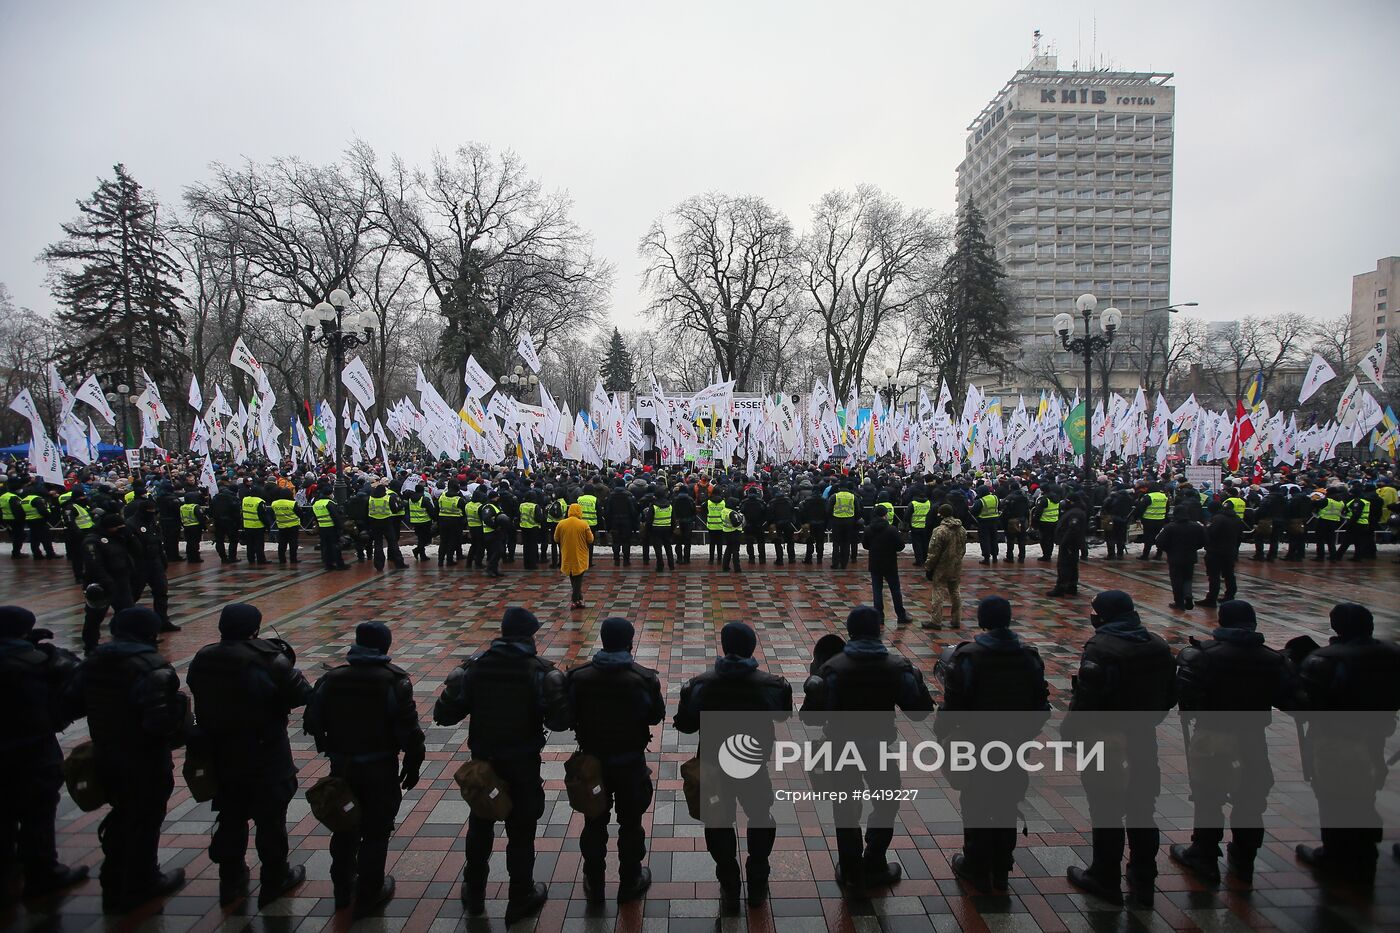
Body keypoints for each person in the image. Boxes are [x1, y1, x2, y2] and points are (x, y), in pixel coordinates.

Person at [433, 607, 568, 925]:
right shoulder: (538, 671)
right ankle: (520, 896)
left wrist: (452, 691)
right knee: (521, 831)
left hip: (485, 765)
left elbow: (445, 715)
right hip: (522, 763)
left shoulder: (476, 668)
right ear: (528, 636)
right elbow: (560, 721)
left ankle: (475, 893)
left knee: (480, 826)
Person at [64, 607, 190, 913]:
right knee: (144, 818)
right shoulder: (150, 667)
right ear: (149, 633)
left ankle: (114, 876)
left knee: (123, 812)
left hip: (106, 752)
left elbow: (70, 704)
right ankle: (141, 882)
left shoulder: (94, 661)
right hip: (143, 756)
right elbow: (158, 723)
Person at [801, 606, 934, 895]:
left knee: (845, 808)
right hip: (880, 748)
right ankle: (874, 861)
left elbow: (811, 718)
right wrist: (919, 681)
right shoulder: (898, 666)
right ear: (878, 630)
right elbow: (919, 713)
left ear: (850, 631)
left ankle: (850, 871)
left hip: (841, 748)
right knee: (886, 803)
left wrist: (813, 692)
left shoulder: (832, 668)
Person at [188, 604, 313, 906]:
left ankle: (231, 880)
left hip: (220, 750)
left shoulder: (204, 657)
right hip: (264, 750)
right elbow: (302, 694)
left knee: (231, 815)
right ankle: (275, 877)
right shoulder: (268, 659)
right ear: (254, 628)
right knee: (270, 818)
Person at [1063, 590, 1176, 908]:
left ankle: (1104, 876)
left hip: (1108, 739)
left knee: (1106, 808)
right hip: (1144, 737)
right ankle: (1143, 876)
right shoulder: (1157, 643)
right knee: (1142, 809)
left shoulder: (1102, 648)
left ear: (1105, 615)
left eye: (1095, 611)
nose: (1092, 615)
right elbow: (1170, 695)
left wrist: (1070, 734)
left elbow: (1087, 700)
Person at [305, 622, 425, 918]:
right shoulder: (393, 681)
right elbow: (409, 731)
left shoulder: (330, 680)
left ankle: (342, 888)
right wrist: (412, 762)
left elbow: (311, 723)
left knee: (345, 824)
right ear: (385, 646)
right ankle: (370, 891)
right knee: (376, 829)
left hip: (342, 766)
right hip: (379, 766)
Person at [1171, 600, 1290, 886]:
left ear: (1221, 622)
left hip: (1213, 733)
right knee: (1250, 798)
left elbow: (1186, 695)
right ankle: (1244, 856)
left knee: (1208, 795)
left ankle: (1204, 854)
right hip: (1252, 737)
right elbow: (1289, 698)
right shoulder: (1272, 659)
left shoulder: (1204, 655)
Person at [674, 622, 792, 909]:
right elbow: (783, 715)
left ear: (724, 647)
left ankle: (729, 884)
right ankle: (757, 880)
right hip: (752, 766)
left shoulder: (701, 684)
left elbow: (686, 726)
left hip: (713, 769)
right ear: (751, 647)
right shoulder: (770, 684)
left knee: (718, 821)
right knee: (761, 816)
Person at [936, 597, 1049, 890]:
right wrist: (1024, 735)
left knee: (975, 800)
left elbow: (954, 705)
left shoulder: (969, 657)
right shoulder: (1029, 656)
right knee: (1007, 801)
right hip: (1013, 745)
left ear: (983, 620)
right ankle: (1002, 864)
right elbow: (1041, 706)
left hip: (977, 743)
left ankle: (975, 862)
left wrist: (943, 732)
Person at [1292, 602, 1400, 883]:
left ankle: (1335, 854)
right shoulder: (1392, 654)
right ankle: (1365, 850)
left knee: (1333, 796)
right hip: (1375, 736)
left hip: (1336, 739)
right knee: (1366, 789)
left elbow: (1306, 703)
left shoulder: (1328, 659)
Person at [566, 617, 665, 904]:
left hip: (591, 764)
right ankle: (630, 879)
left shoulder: (579, 676)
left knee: (594, 820)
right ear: (630, 642)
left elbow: (566, 715)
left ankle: (594, 881)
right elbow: (655, 716)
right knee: (631, 823)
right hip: (629, 763)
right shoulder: (643, 678)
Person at [0, 606, 89, 900]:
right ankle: (43, 872)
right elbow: (76, 688)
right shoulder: (34, 663)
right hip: (31, 748)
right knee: (37, 811)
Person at [127, 499, 179, 633]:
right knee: (134, 593)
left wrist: (162, 559)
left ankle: (162, 620)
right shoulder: (131, 524)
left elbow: (158, 541)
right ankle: (126, 621)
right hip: (140, 563)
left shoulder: (152, 522)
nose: (152, 514)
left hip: (155, 561)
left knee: (161, 591)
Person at [862, 504, 910, 625]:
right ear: (885, 515)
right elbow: (900, 546)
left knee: (877, 590)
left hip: (875, 563)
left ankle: (879, 616)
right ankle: (901, 615)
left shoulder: (868, 529)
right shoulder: (891, 529)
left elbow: (865, 545)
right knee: (895, 590)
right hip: (890, 563)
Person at [924, 504, 968, 630]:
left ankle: (936, 620)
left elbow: (933, 552)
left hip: (942, 566)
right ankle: (956, 619)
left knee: (938, 591)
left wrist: (929, 567)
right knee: (955, 591)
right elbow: (963, 549)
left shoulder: (939, 531)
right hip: (956, 565)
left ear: (940, 514)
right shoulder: (962, 529)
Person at [1155, 504, 1206, 610]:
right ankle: (1188, 594)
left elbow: (1159, 542)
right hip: (1190, 556)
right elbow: (1204, 540)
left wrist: (1168, 549)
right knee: (1188, 578)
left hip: (1175, 557)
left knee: (1176, 579)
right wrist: (1195, 547)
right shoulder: (1196, 526)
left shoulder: (1170, 527)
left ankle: (1179, 602)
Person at [1199, 498, 1244, 607]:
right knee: (1229, 574)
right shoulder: (1236, 518)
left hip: (1215, 551)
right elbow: (1240, 535)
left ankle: (1211, 598)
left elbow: (1211, 533)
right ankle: (1230, 595)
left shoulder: (1217, 519)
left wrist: (1204, 529)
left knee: (1214, 576)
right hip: (1230, 550)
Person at [1046, 495, 1086, 598]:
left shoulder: (1075, 513)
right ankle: (1071, 586)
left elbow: (1073, 529)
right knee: (1071, 565)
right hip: (1071, 543)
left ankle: (1061, 587)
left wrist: (1064, 543)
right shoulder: (1075, 511)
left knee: (1064, 566)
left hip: (1069, 544)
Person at [556, 502, 594, 609]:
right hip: (580, 555)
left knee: (573, 578)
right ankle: (575, 600)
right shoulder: (583, 524)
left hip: (567, 554)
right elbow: (590, 539)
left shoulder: (561, 523)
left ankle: (579, 599)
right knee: (579, 578)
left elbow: (556, 538)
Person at [366, 481, 406, 571]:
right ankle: (399, 563)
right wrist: (401, 505)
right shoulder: (388, 498)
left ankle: (378, 565)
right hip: (387, 522)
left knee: (378, 544)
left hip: (374, 522)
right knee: (393, 543)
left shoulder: (370, 498)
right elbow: (395, 510)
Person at [312, 487, 349, 570]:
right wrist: (340, 528)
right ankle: (340, 564)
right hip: (331, 527)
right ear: (330, 494)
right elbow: (335, 516)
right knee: (336, 546)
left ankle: (328, 564)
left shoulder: (316, 503)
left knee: (325, 547)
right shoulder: (329, 503)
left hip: (322, 528)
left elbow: (315, 517)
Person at [20, 484, 58, 560]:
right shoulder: (36, 499)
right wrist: (48, 516)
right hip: (40, 521)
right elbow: (43, 511)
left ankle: (37, 554)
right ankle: (50, 554)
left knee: (34, 539)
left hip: (30, 521)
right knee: (46, 539)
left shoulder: (23, 501)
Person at [1133, 483, 1169, 560]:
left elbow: (1140, 508)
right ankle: (1159, 554)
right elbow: (1167, 509)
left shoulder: (1148, 497)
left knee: (1148, 538)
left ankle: (1145, 555)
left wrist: (1138, 517)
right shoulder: (1164, 496)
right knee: (1159, 537)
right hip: (1160, 519)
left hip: (1148, 520)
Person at [210, 481, 242, 564]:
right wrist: (238, 522)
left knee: (219, 540)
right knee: (233, 540)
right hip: (230, 522)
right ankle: (232, 557)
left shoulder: (215, 497)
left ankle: (223, 557)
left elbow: (211, 510)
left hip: (218, 521)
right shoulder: (233, 498)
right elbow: (236, 512)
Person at [830, 481, 859, 569]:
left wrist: (832, 519)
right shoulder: (853, 497)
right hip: (849, 521)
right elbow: (858, 510)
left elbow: (829, 509)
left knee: (836, 543)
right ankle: (844, 563)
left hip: (836, 521)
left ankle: (835, 563)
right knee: (846, 543)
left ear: (839, 488)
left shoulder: (834, 496)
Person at [436, 480, 465, 567]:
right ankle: (449, 560)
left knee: (443, 541)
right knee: (452, 541)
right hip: (455, 522)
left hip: (442, 521)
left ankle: (440, 561)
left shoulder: (442, 496)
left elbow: (437, 509)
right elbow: (464, 511)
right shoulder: (459, 499)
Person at [241, 484, 272, 564]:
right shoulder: (260, 501)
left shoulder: (245, 499)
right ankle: (261, 559)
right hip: (258, 526)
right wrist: (267, 526)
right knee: (259, 544)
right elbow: (263, 516)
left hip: (247, 525)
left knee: (250, 544)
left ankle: (250, 559)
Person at [643, 492, 674, 572]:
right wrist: (672, 529)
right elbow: (673, 518)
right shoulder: (669, 505)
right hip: (667, 528)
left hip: (656, 529)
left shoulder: (654, 506)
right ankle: (671, 565)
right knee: (668, 547)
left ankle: (660, 565)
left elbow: (649, 520)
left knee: (658, 548)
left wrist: (647, 530)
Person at [404, 485, 436, 562]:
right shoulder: (424, 500)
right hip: (425, 522)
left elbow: (408, 509)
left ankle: (422, 555)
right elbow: (431, 511)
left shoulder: (410, 500)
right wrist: (434, 519)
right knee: (426, 539)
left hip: (415, 522)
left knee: (421, 538)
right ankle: (417, 550)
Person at [1313, 485, 1345, 561]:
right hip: (1334, 522)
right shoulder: (1341, 502)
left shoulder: (1327, 500)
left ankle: (1320, 557)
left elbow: (1315, 504)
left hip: (1323, 521)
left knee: (1320, 540)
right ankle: (1333, 557)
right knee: (1331, 541)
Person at [270, 488, 302, 564]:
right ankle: (293, 559)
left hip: (281, 525)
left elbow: (273, 514)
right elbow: (300, 513)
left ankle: (282, 559)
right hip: (293, 526)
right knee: (293, 543)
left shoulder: (274, 503)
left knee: (282, 544)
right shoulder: (292, 503)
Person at [1001, 482, 1030, 563]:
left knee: (1010, 540)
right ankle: (1022, 557)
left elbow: (1004, 508)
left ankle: (1010, 557)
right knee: (1021, 540)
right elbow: (1028, 509)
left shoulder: (1010, 497)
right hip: (1022, 520)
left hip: (1012, 521)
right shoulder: (1024, 497)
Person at [971, 484, 1000, 564]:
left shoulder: (981, 501)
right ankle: (995, 557)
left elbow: (973, 511)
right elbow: (999, 507)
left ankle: (986, 558)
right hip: (995, 521)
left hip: (983, 522)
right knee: (994, 539)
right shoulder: (995, 498)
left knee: (985, 540)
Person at [768, 484, 797, 566]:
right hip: (788, 523)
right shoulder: (788, 501)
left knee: (777, 542)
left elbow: (770, 514)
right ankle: (792, 558)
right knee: (790, 541)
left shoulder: (772, 502)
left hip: (777, 524)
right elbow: (793, 511)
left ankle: (779, 560)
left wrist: (771, 522)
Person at [907, 486, 934, 566]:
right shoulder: (929, 503)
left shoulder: (913, 504)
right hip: (926, 526)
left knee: (917, 545)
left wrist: (906, 523)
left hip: (915, 526)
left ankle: (919, 560)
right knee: (925, 543)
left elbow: (907, 515)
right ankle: (925, 558)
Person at [1032, 485, 1060, 561]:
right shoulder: (1056, 498)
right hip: (1054, 521)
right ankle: (1049, 554)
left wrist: (1034, 523)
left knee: (1044, 540)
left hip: (1044, 522)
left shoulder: (1044, 499)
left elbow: (1038, 512)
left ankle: (1046, 555)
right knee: (1050, 539)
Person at [178, 490, 207, 563]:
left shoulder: (182, 507)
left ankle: (190, 557)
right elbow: (200, 518)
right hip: (195, 527)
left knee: (189, 543)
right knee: (195, 543)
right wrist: (204, 526)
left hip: (186, 526)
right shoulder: (195, 507)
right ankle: (196, 558)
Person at [517, 491, 543, 570]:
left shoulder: (522, 505)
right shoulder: (535, 506)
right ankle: (533, 564)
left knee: (526, 546)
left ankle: (526, 564)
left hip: (524, 527)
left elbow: (518, 515)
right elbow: (539, 518)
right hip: (533, 528)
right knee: (533, 546)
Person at [2, 477, 26, 559]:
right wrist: (22, 520)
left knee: (15, 536)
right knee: (19, 537)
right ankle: (16, 553)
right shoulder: (13, 497)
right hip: (15, 520)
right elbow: (17, 510)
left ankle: (16, 552)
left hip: (6, 519)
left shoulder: (3, 496)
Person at [720, 497, 744, 573]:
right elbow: (736, 523)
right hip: (735, 532)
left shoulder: (724, 511)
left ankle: (725, 566)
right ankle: (737, 568)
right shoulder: (732, 513)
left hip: (727, 532)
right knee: (735, 551)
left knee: (728, 550)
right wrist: (741, 519)